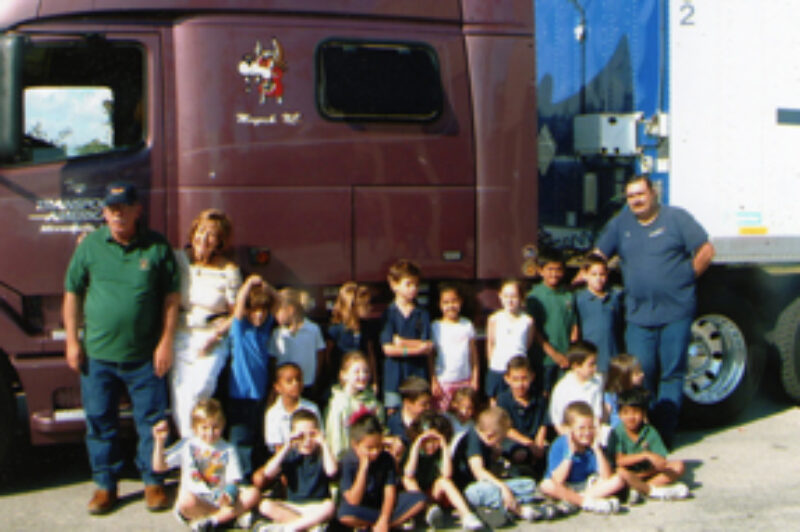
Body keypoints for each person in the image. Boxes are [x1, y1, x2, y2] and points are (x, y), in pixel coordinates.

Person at [63, 182, 180, 514]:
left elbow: (172, 299)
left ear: (136, 210)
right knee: (100, 421)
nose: (117, 214)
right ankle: (105, 486)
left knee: (152, 422)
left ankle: (154, 482)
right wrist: (72, 341)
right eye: (111, 208)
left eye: (124, 207)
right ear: (104, 212)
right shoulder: (89, 248)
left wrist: (166, 341)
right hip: (97, 356)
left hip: (145, 356)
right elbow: (72, 293)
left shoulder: (156, 247)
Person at [594, 174, 715, 447]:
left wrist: (687, 276)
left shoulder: (676, 218)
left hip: (676, 312)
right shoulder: (621, 223)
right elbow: (599, 254)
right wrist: (587, 276)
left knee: (672, 373)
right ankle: (639, 435)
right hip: (639, 315)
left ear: (653, 194)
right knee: (640, 374)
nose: (636, 200)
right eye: (631, 196)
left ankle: (664, 435)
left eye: (640, 194)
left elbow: (706, 250)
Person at [171, 208, 242, 438]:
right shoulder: (179, 260)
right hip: (182, 335)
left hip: (211, 338)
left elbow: (237, 312)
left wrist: (220, 331)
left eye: (212, 235)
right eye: (201, 232)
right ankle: (191, 457)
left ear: (219, 241)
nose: (204, 239)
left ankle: (203, 447)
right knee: (181, 400)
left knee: (200, 391)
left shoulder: (228, 271)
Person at [152, 399, 260, 531]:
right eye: (205, 428)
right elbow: (159, 467)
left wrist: (228, 495)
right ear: (195, 428)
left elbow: (233, 480)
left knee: (253, 493)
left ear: (222, 426)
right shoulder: (187, 445)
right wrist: (159, 442)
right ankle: (229, 519)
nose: (210, 433)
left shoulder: (227, 448)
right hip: (196, 502)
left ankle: (213, 521)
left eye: (215, 427)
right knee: (186, 501)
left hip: (220, 501)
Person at [336, 410, 427, 531]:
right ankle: (381, 526)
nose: (375, 452)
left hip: (383, 507)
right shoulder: (348, 461)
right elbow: (353, 500)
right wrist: (363, 468)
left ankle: (383, 526)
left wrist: (384, 519)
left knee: (420, 499)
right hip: (362, 509)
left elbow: (389, 492)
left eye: (379, 446)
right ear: (355, 445)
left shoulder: (386, 458)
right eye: (369, 448)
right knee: (344, 513)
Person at [452, 407, 543, 523]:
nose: (500, 442)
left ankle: (504, 505)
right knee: (485, 491)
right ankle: (516, 508)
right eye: (500, 438)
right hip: (471, 489)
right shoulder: (473, 440)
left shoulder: (486, 443)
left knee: (528, 484)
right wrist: (503, 487)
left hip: (489, 486)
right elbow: (478, 472)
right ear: (491, 435)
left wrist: (495, 455)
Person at [255, 409, 338, 532]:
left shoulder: (322, 454)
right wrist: (287, 446)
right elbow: (268, 473)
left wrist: (323, 443)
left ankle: (288, 528)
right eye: (302, 435)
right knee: (265, 505)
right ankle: (309, 528)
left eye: (312, 434)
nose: (307, 440)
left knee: (330, 506)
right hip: (293, 506)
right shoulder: (290, 455)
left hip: (316, 506)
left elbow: (332, 471)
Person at [226, 274, 276, 479]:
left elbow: (279, 303)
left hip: (260, 394)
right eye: (254, 311)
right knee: (240, 438)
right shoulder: (240, 328)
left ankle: (257, 477)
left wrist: (266, 286)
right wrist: (247, 285)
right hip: (240, 394)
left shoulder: (264, 329)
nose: (259, 315)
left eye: (262, 311)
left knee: (258, 436)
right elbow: (238, 306)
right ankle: (241, 478)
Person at [539, 401, 625, 515]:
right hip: (566, 486)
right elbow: (558, 480)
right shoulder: (559, 444)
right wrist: (569, 453)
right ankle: (586, 502)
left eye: (591, 428)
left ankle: (576, 501)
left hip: (588, 487)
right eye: (581, 428)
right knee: (546, 485)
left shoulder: (592, 446)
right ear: (570, 429)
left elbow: (606, 476)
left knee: (618, 480)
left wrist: (597, 450)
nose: (587, 432)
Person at [401, 411, 484, 530]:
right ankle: (427, 511)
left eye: (434, 441)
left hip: (432, 494)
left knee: (444, 481)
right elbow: (409, 473)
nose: (430, 445)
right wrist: (416, 445)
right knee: (407, 480)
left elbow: (447, 474)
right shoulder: (413, 451)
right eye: (426, 441)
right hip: (414, 498)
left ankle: (467, 515)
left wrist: (444, 446)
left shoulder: (440, 452)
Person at [609, 388, 689, 503]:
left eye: (636, 412)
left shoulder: (650, 431)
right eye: (626, 413)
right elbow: (620, 461)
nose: (631, 417)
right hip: (628, 475)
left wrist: (656, 464)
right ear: (620, 415)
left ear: (643, 413)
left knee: (678, 466)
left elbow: (661, 459)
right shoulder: (617, 432)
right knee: (620, 472)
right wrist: (645, 455)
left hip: (648, 473)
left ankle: (642, 489)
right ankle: (651, 491)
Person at [380, 259, 434, 410]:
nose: (413, 289)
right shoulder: (389, 314)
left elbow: (428, 345)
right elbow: (388, 349)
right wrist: (417, 349)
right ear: (394, 284)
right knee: (393, 412)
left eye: (416, 284)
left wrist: (401, 342)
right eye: (408, 284)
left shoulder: (422, 313)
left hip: (418, 374)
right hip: (394, 376)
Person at [525, 250, 579, 397]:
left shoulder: (568, 295)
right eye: (550, 269)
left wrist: (570, 354)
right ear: (540, 271)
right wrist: (554, 354)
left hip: (566, 358)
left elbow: (574, 325)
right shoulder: (535, 296)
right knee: (545, 395)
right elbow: (534, 331)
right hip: (545, 359)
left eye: (558, 269)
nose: (554, 274)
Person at [325, 350, 385, 458]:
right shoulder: (339, 404)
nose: (362, 376)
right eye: (357, 372)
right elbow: (336, 438)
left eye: (365, 371)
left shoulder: (373, 402)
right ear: (344, 375)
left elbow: (381, 429)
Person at [269, 288, 326, 402]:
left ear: (290, 310)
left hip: (307, 385)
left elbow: (320, 356)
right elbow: (273, 360)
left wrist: (315, 379)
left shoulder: (313, 330)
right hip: (285, 387)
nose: (274, 315)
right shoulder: (277, 333)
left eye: (277, 311)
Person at [430, 283, 480, 412]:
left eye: (454, 301)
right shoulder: (436, 326)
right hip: (444, 381)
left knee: (463, 413)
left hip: (464, 381)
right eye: (446, 302)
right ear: (440, 305)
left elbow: (473, 355)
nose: (450, 306)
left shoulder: (467, 325)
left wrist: (474, 379)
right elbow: (430, 357)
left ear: (461, 302)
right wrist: (434, 381)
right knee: (443, 415)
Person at [495, 356, 547, 474]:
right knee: (520, 454)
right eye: (515, 379)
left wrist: (538, 444)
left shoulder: (539, 398)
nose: (520, 384)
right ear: (507, 379)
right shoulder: (503, 399)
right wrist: (529, 443)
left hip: (535, 440)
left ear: (532, 377)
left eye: (524, 379)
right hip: (514, 440)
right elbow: (506, 429)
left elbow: (543, 424)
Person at [485, 280, 535, 400]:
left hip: (518, 371)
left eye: (514, 296)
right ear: (500, 297)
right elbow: (491, 344)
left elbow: (527, 344)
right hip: (498, 368)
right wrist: (493, 364)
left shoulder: (527, 321)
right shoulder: (494, 319)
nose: (510, 300)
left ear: (521, 297)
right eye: (506, 296)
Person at [326, 282, 377, 396]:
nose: (370, 308)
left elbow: (370, 355)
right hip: (342, 381)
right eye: (365, 305)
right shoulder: (336, 330)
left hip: (362, 379)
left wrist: (374, 381)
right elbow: (328, 358)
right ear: (353, 307)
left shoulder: (367, 328)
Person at [575, 253, 623, 374]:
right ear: (585, 275)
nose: (598, 278)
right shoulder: (579, 299)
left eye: (602, 274)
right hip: (591, 361)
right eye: (593, 274)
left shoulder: (614, 297)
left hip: (613, 358)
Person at [263, 363, 323, 454]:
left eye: (298, 380)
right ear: (277, 387)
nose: (295, 384)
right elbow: (277, 448)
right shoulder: (273, 413)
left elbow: (319, 439)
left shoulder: (312, 408)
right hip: (286, 459)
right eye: (289, 381)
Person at [549, 342, 604, 435]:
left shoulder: (597, 382)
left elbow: (597, 415)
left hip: (591, 432)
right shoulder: (563, 388)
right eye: (591, 365)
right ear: (576, 366)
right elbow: (558, 422)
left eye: (595, 363)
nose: (595, 368)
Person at [385, 375, 432, 459]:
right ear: (407, 403)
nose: (428, 408)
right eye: (423, 404)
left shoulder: (431, 421)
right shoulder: (393, 424)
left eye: (429, 403)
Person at [604, 353, 646, 428]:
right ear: (624, 377)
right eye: (637, 373)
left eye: (641, 371)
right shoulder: (612, 395)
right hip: (618, 432)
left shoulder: (639, 393)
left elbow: (644, 417)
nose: (642, 374)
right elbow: (606, 416)